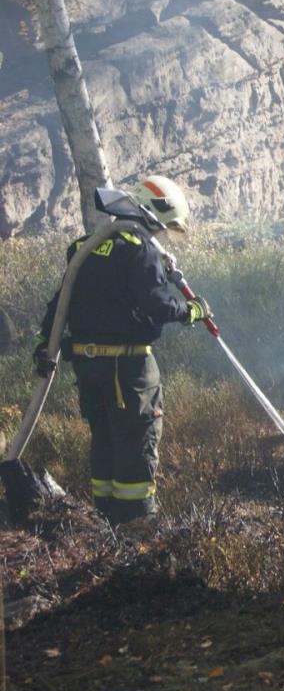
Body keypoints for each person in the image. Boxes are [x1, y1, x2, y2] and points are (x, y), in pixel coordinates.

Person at [32, 176, 207, 526]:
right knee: (137, 440)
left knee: (105, 438)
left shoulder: (85, 245)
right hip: (129, 369)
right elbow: (156, 304)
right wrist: (191, 311)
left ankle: (105, 524)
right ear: (152, 215)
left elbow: (60, 303)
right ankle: (137, 528)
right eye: (161, 227)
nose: (159, 236)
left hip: (88, 365)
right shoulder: (137, 247)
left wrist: (44, 344)